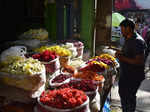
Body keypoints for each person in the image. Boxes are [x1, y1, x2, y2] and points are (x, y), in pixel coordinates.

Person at [115, 19, 146, 112]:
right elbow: (129, 53)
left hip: (133, 76)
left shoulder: (137, 41)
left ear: (128, 28)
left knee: (129, 98)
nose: (121, 32)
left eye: (122, 29)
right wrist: (121, 52)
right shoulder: (128, 38)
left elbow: (139, 61)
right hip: (126, 74)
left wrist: (122, 58)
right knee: (124, 96)